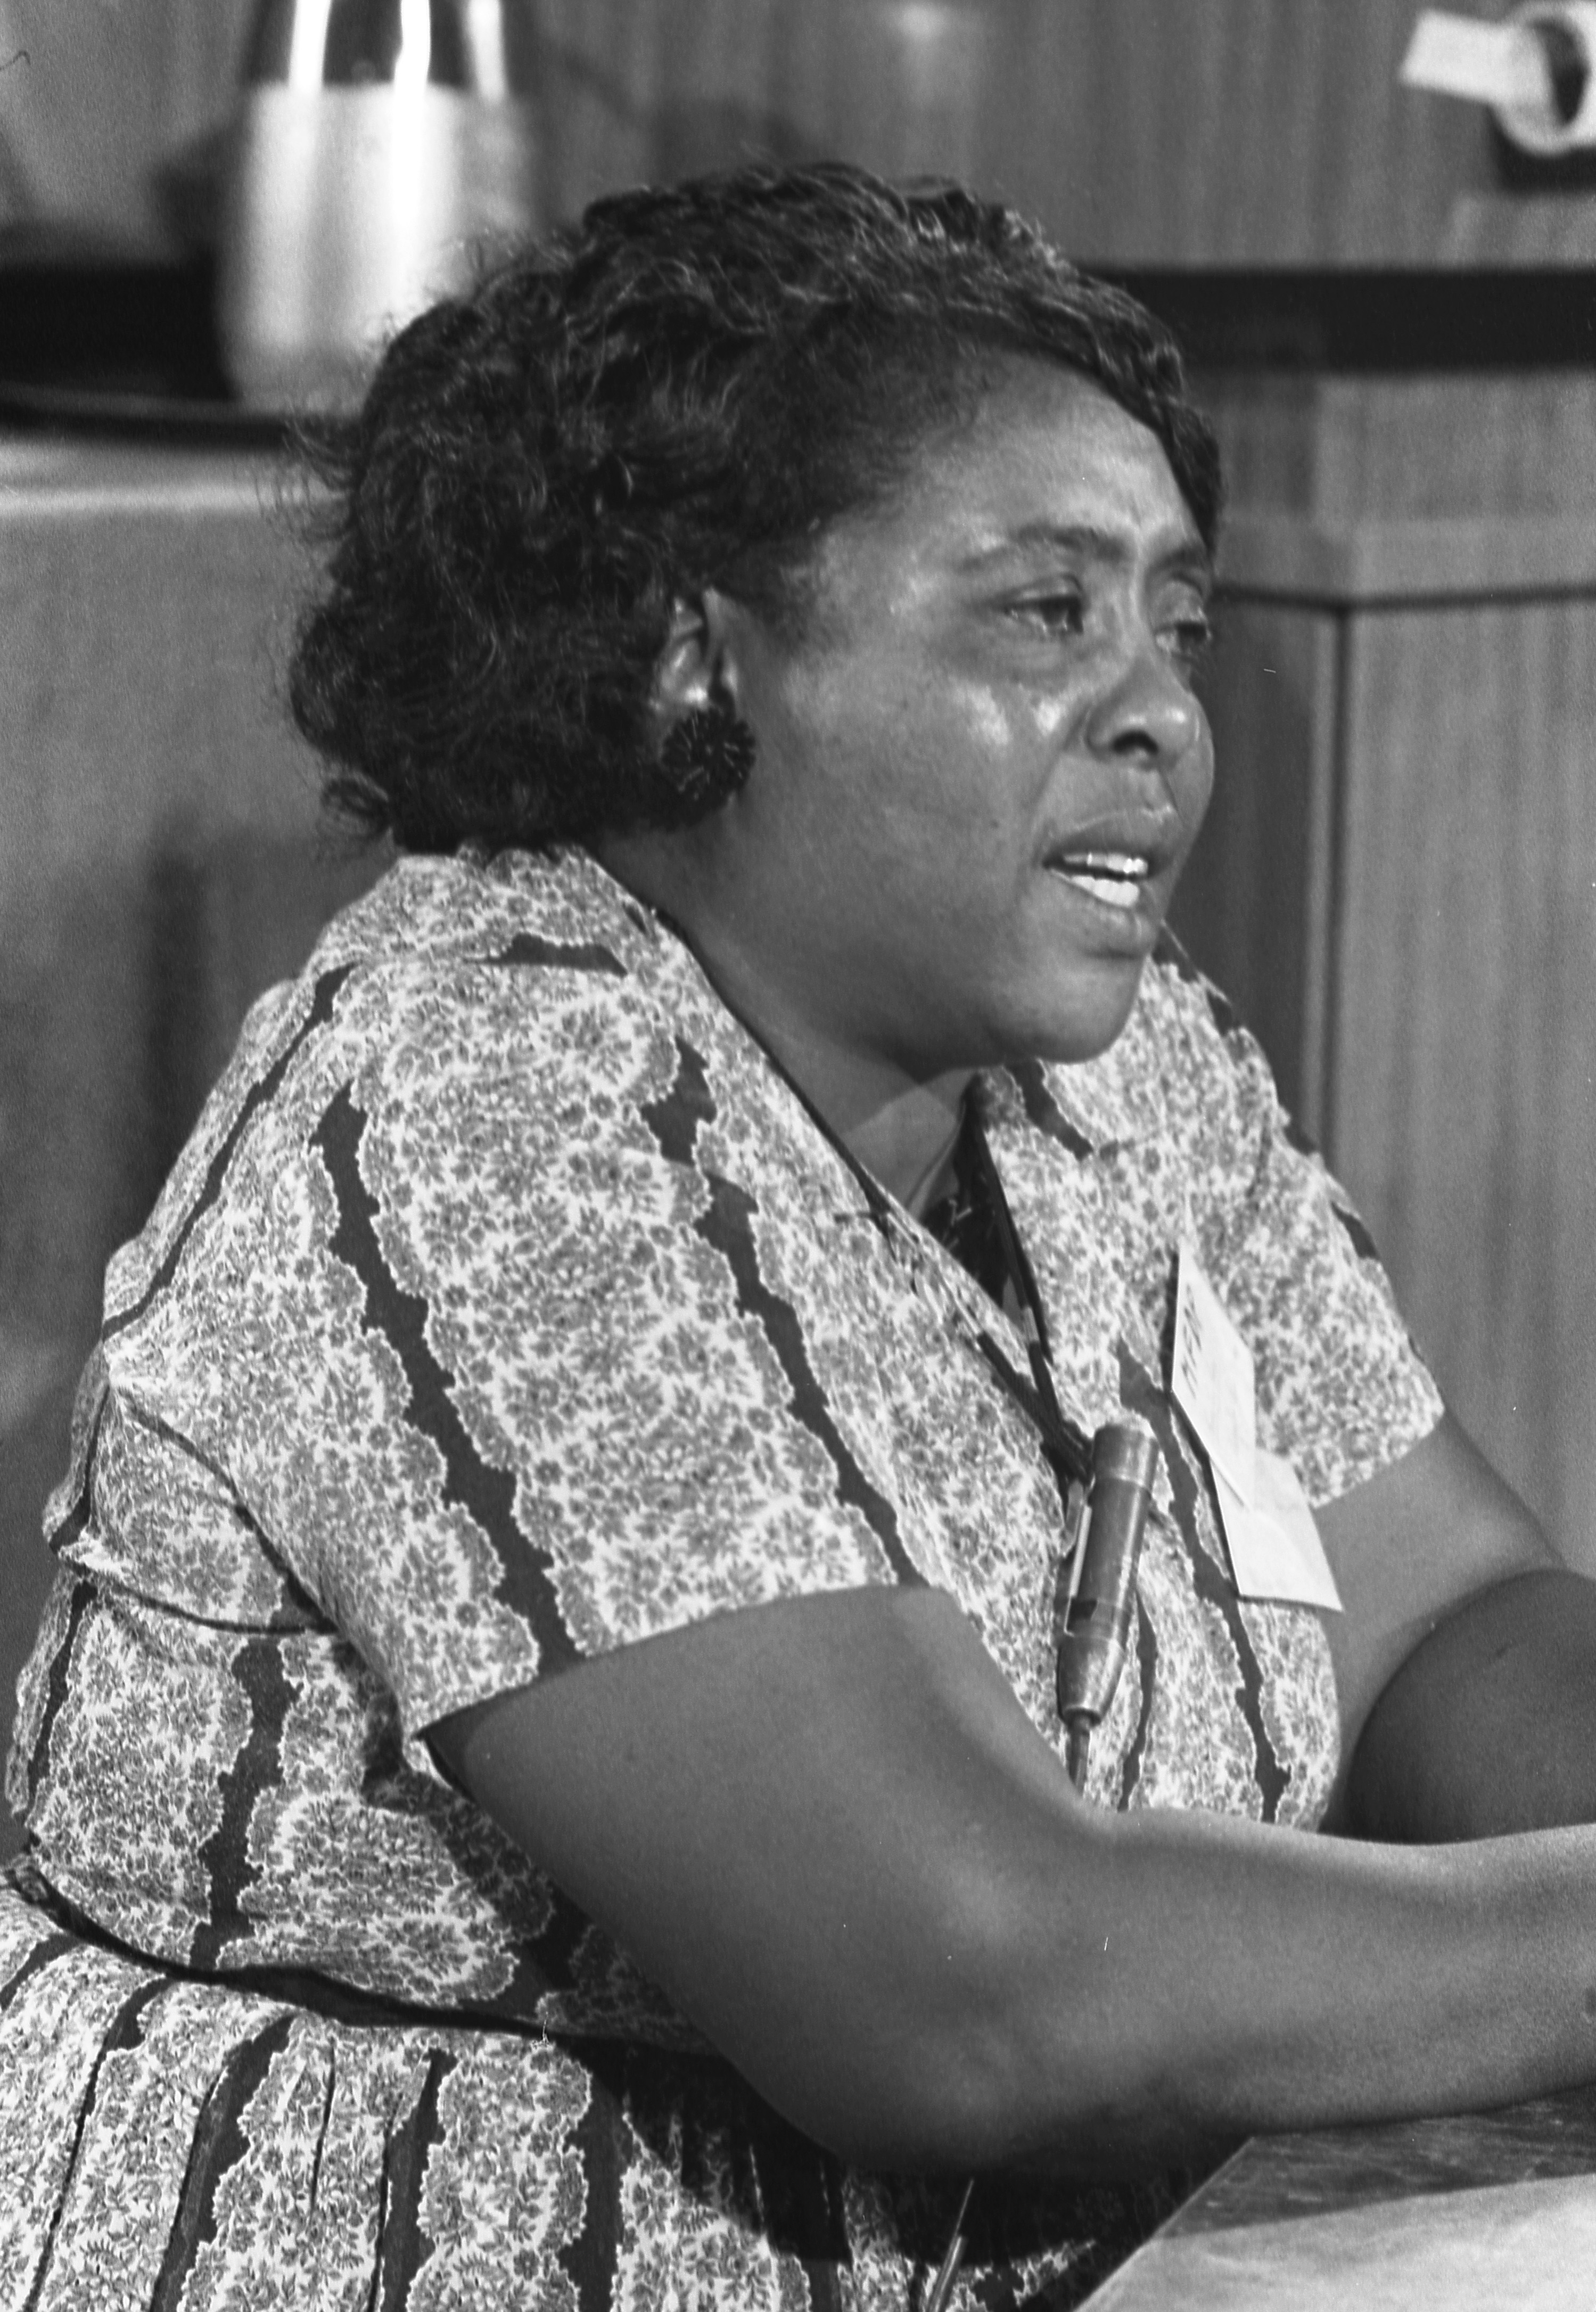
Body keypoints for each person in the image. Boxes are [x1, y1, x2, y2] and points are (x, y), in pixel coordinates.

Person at [3, 161, 1596, 2311]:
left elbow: (1446, 1623)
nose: (1161, 714)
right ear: (696, 652)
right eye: (1048, 613)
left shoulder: (1134, 1081)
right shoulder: (480, 1098)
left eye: (1176, 623)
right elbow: (962, 1985)